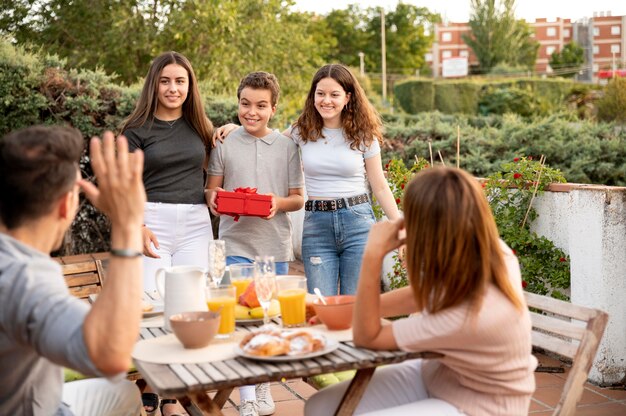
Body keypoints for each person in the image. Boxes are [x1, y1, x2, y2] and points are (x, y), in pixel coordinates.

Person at [304, 167, 538, 416]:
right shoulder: (489, 251)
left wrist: (373, 254)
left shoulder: (467, 317)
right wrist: (352, 308)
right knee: (320, 407)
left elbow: (368, 338)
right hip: (439, 374)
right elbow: (424, 293)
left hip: (480, 405)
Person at [215, 63, 400, 296]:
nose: (326, 100)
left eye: (334, 94)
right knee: (319, 304)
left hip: (358, 223)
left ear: (348, 97)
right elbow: (266, 139)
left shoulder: (364, 135)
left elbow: (380, 186)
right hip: (317, 226)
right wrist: (237, 128)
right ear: (313, 96)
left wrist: (399, 227)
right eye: (320, 94)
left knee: (356, 303)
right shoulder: (302, 130)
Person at [0, 126, 145, 415]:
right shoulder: (24, 277)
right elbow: (111, 355)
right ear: (67, 205)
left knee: (123, 393)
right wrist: (127, 224)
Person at [206, 71, 304, 416]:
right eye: (245, 104)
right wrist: (214, 199)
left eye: (261, 106)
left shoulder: (287, 146)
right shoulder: (224, 142)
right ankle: (247, 400)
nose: (252, 112)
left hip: (272, 247)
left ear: (273, 108)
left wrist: (276, 203)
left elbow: (298, 198)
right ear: (238, 104)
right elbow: (212, 189)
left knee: (264, 317)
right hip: (233, 244)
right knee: (238, 319)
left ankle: (261, 385)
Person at [121, 51, 213, 293]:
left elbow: (215, 172)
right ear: (154, 85)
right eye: (165, 81)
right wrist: (137, 227)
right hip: (151, 223)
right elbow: (126, 185)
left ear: (189, 86)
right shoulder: (135, 130)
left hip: (196, 225)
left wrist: (234, 129)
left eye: (180, 81)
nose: (173, 88)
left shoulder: (202, 127)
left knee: (195, 300)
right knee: (152, 300)